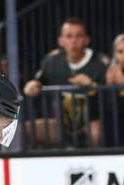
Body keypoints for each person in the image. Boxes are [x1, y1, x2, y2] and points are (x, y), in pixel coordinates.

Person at [22, 17, 109, 147]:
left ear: (86, 40)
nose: (74, 41)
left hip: (91, 123)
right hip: (60, 126)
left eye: (78, 36)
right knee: (24, 130)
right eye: (69, 36)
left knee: (96, 132)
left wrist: (92, 86)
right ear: (61, 41)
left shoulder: (100, 63)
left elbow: (110, 97)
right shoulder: (52, 61)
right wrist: (31, 87)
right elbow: (38, 81)